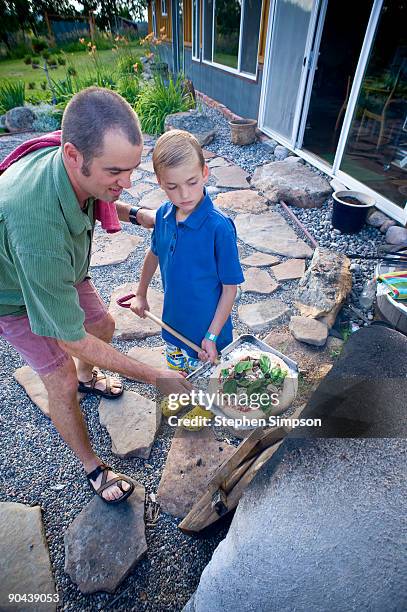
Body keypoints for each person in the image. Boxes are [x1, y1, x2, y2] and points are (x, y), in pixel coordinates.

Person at [0, 88, 191, 504]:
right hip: (12, 293)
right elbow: (69, 337)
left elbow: (101, 194)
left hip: (62, 269)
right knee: (60, 375)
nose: (126, 182)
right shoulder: (36, 225)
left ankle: (90, 379)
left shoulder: (75, 159)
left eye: (132, 169)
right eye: (115, 172)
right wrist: (157, 376)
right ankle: (93, 467)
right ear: (73, 155)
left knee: (102, 324)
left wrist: (141, 216)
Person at [130, 129, 244, 377]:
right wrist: (141, 294)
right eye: (172, 186)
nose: (184, 194)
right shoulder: (162, 215)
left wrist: (212, 335)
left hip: (207, 338)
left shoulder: (219, 228)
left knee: (206, 387)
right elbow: (154, 253)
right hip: (172, 327)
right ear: (160, 183)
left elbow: (229, 288)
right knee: (179, 379)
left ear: (204, 173)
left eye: (192, 182)